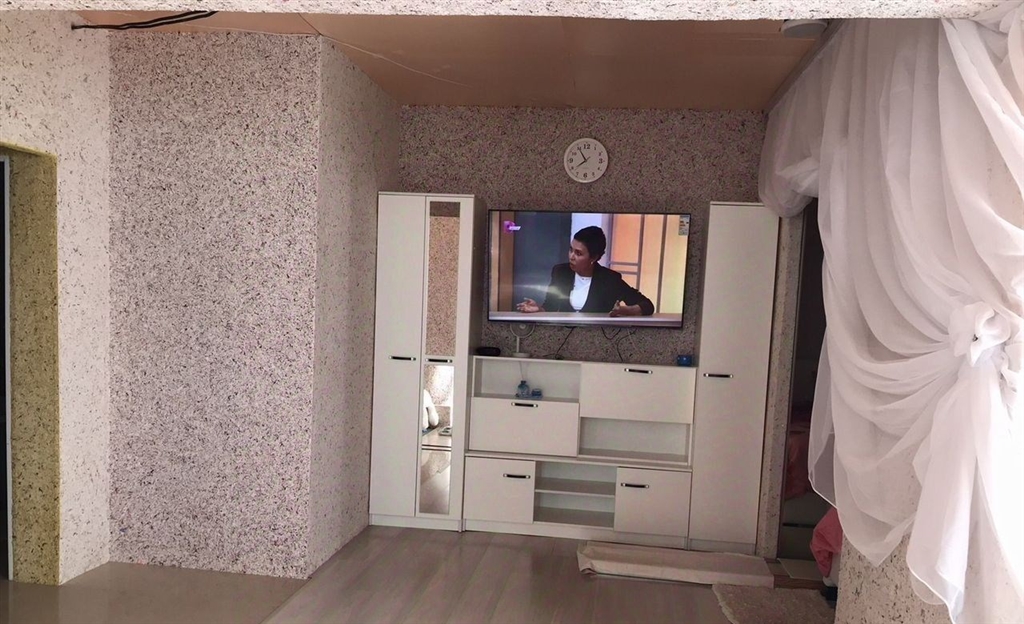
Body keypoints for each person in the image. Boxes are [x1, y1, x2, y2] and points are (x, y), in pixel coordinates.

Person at [516, 226, 655, 317]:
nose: (571, 256)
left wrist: (626, 310)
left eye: (578, 253)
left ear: (593, 257)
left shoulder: (610, 279)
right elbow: (550, 306)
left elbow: (648, 305)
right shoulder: (560, 272)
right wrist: (539, 309)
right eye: (571, 250)